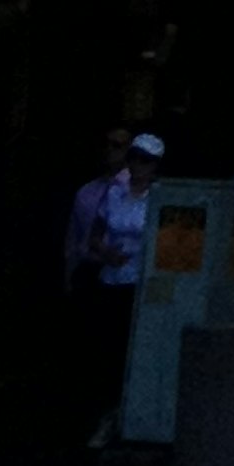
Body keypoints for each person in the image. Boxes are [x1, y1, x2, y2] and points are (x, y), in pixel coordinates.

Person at [61, 129, 159, 447]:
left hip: (139, 285)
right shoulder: (113, 194)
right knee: (105, 351)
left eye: (147, 161)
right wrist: (106, 253)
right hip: (110, 279)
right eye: (135, 158)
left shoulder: (159, 199)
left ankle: (129, 419)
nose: (139, 165)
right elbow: (94, 233)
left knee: (130, 352)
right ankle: (104, 417)